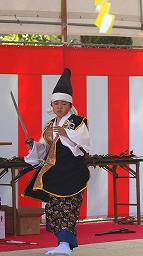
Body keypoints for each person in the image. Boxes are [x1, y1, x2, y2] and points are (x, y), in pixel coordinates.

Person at [24, 68, 91, 256]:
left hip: (72, 172)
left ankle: (64, 244)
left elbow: (84, 144)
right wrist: (33, 146)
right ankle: (64, 244)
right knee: (54, 207)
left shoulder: (77, 122)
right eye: (56, 104)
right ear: (51, 105)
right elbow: (44, 149)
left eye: (63, 104)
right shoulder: (49, 125)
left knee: (68, 207)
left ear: (70, 105)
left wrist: (67, 135)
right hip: (54, 173)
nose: (59, 107)